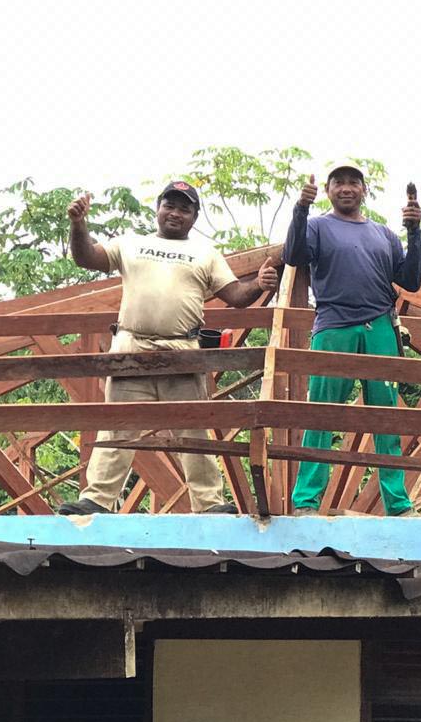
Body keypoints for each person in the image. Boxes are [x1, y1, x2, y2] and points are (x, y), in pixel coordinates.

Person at [56, 180, 280, 515]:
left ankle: (208, 504)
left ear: (194, 217)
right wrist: (78, 224)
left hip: (182, 350)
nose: (175, 213)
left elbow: (235, 297)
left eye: (184, 208)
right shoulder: (130, 243)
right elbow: (87, 257)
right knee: (118, 424)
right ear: (158, 208)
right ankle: (98, 500)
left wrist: (258, 285)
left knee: (193, 426)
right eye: (169, 205)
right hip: (132, 347)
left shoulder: (205, 253)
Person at [283, 165, 421, 516]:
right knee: (322, 415)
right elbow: (293, 256)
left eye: (353, 183)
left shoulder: (384, 235)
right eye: (338, 183)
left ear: (364, 190)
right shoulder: (318, 225)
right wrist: (300, 210)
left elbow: (411, 280)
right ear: (328, 191)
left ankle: (399, 506)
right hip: (334, 326)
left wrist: (414, 230)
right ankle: (305, 502)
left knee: (385, 418)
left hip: (379, 327)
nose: (346, 188)